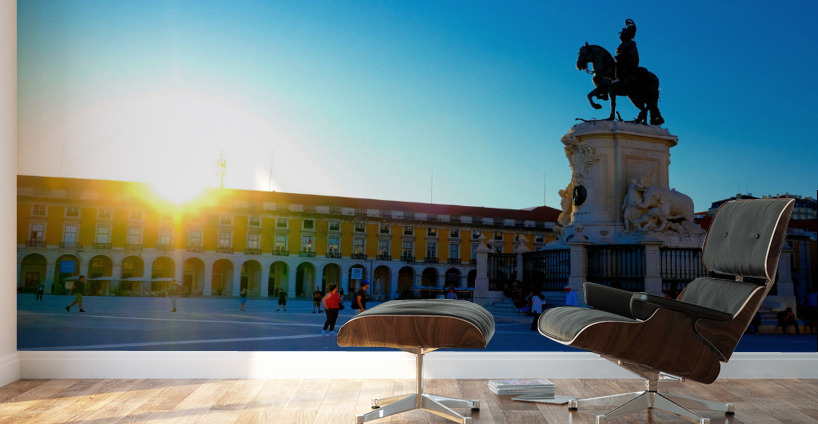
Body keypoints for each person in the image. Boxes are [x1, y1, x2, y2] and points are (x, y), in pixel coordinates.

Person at [613, 18, 639, 91]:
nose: (620, 36)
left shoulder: (631, 44)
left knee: (620, 68)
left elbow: (630, 53)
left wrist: (621, 56)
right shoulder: (622, 45)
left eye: (622, 35)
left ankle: (619, 81)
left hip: (629, 63)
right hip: (621, 61)